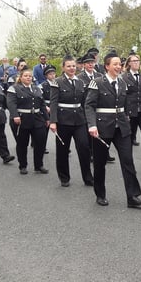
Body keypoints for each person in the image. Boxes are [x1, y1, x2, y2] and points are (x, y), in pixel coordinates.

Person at [84, 50, 141, 208]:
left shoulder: (122, 83)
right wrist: (92, 125)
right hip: (102, 127)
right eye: (115, 64)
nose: (119, 67)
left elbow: (124, 105)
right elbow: (89, 106)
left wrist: (127, 118)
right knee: (100, 163)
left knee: (128, 161)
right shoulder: (97, 82)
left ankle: (133, 196)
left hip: (121, 127)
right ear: (107, 66)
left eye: (120, 64)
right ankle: (100, 194)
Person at [48, 55, 94, 187]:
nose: (72, 68)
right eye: (68, 66)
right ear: (63, 67)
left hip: (79, 120)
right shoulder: (57, 82)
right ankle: (64, 177)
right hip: (63, 120)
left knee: (84, 148)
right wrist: (53, 121)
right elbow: (53, 102)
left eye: (73, 66)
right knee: (62, 150)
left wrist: (89, 120)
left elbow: (85, 102)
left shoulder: (80, 82)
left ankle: (88, 177)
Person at [6, 67, 49, 175]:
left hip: (37, 119)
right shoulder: (14, 88)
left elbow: (42, 104)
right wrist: (15, 116)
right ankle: (23, 165)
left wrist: (47, 118)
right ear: (20, 77)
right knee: (22, 144)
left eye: (30, 76)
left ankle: (39, 165)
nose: (28, 78)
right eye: (26, 76)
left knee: (40, 143)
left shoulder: (37, 89)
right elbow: (11, 103)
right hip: (22, 119)